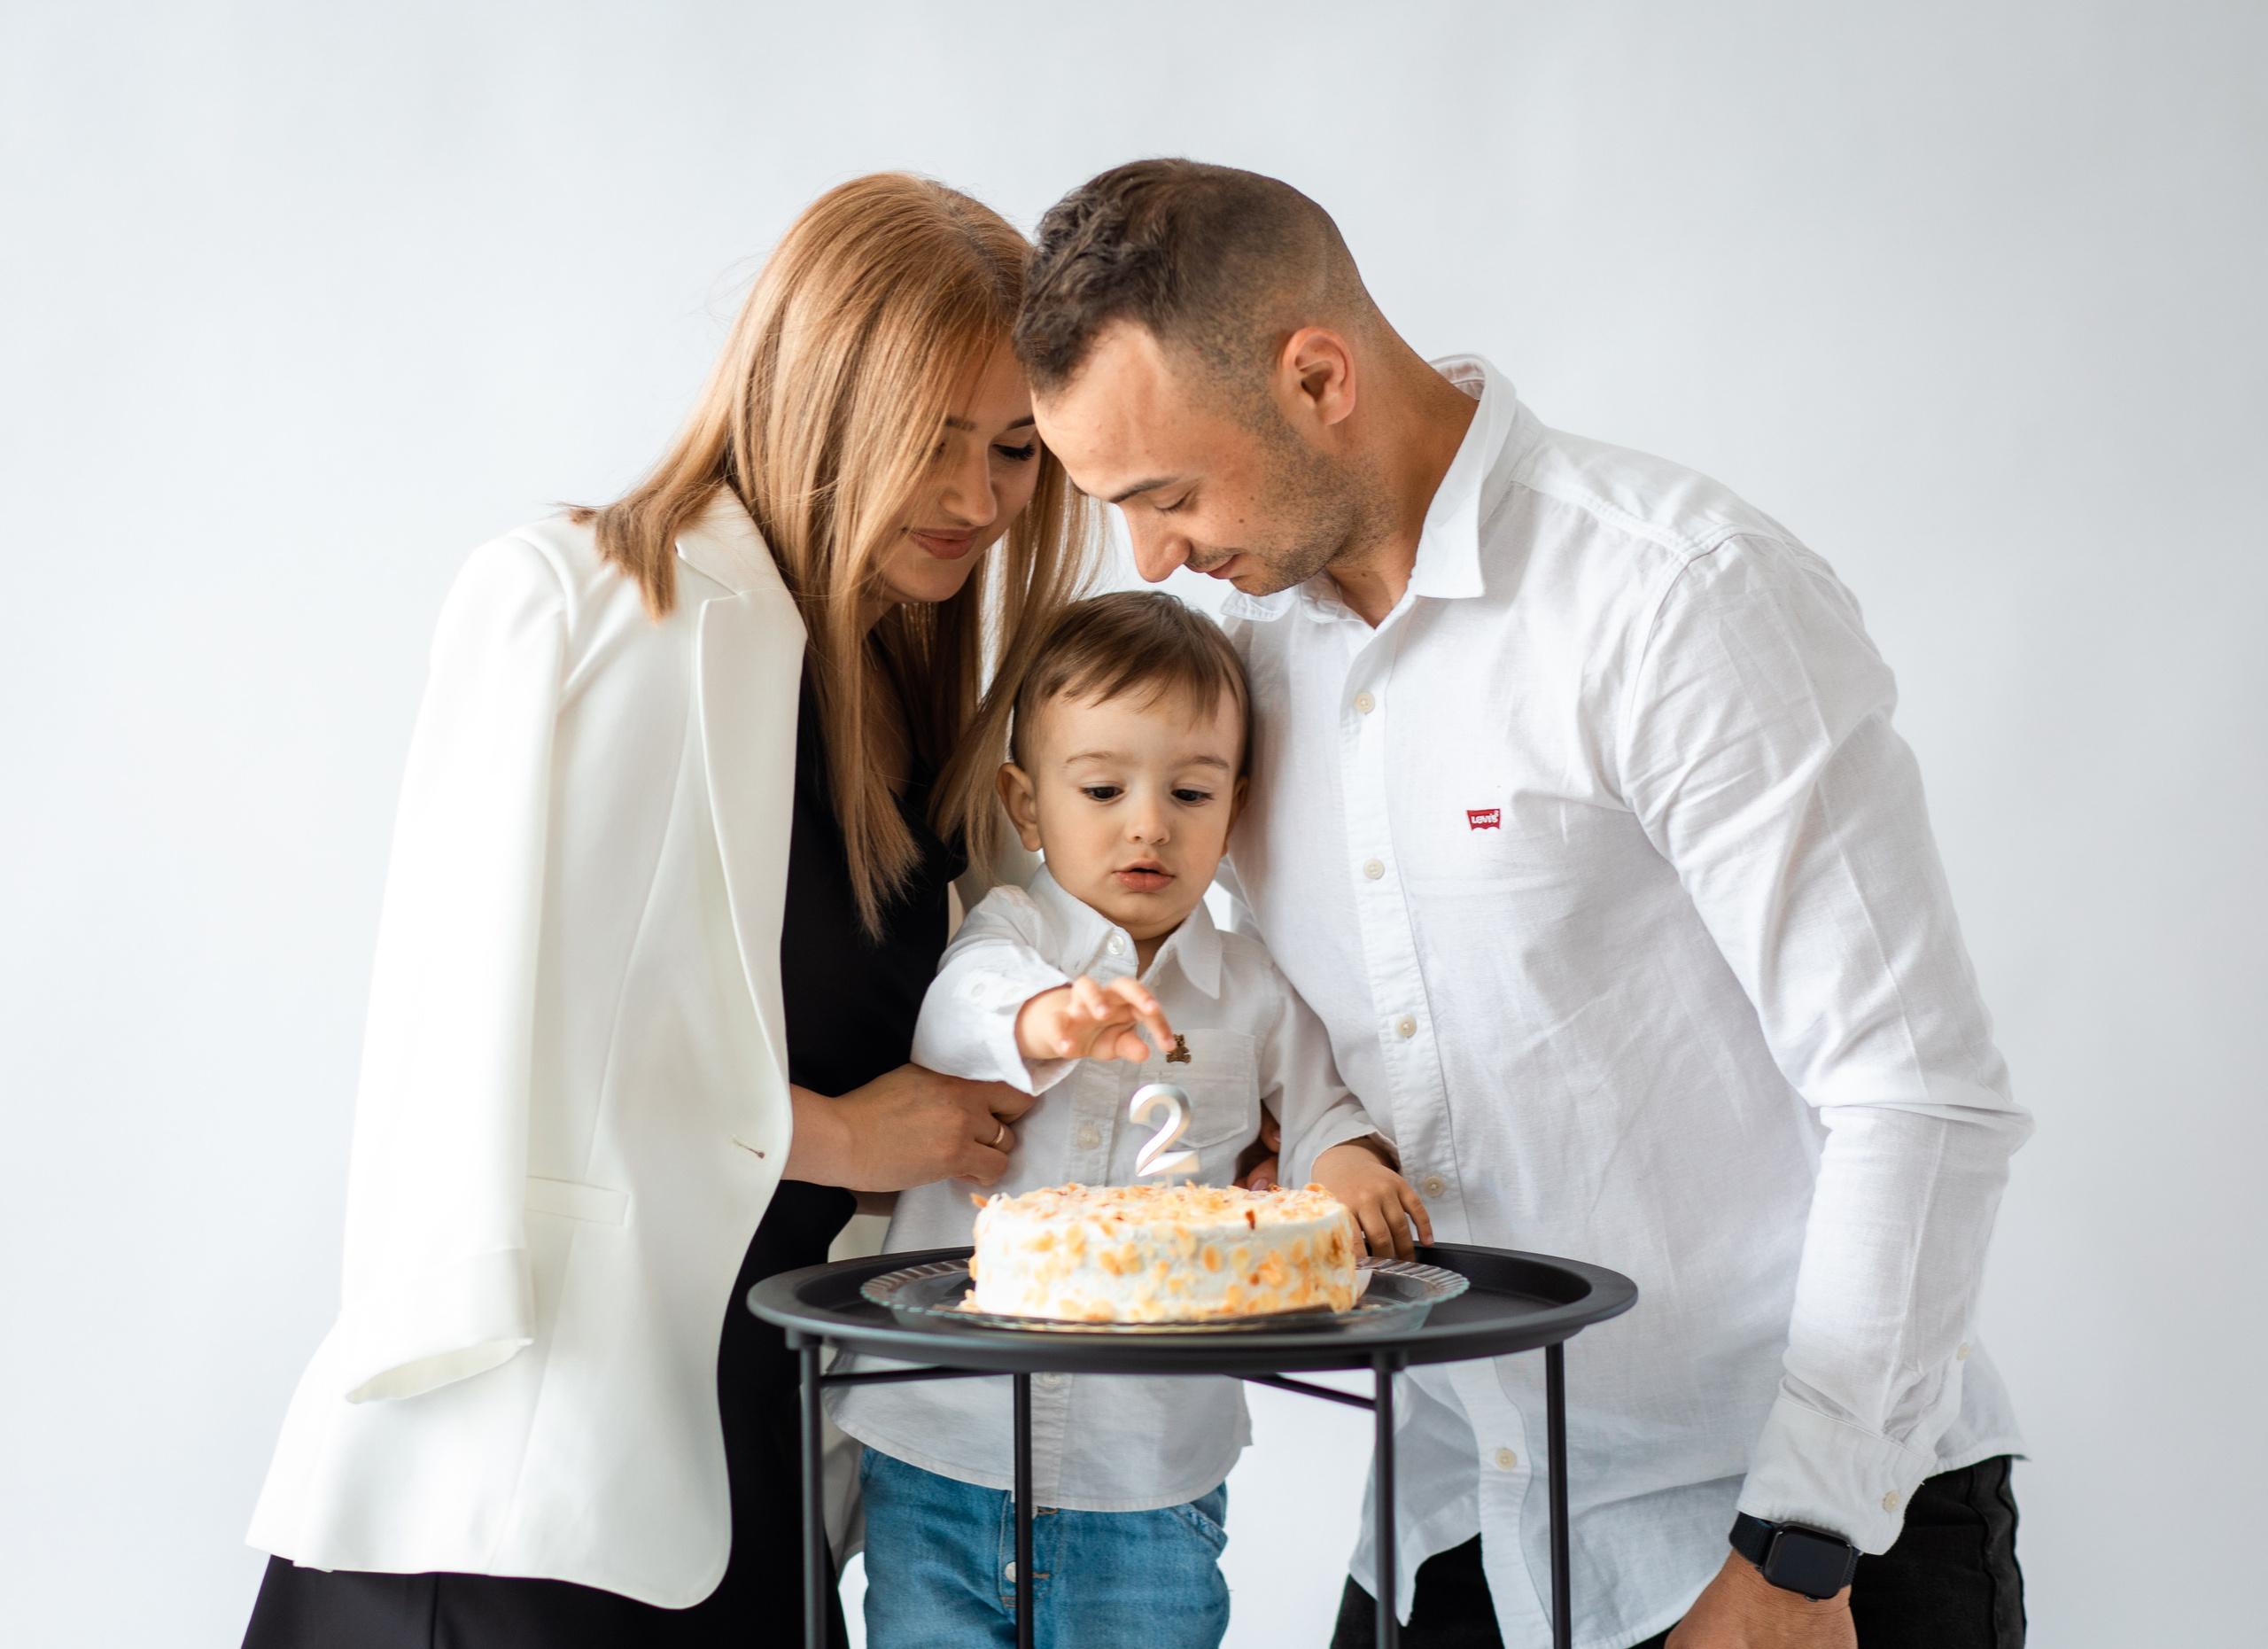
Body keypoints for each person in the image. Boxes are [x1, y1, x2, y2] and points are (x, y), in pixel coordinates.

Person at [1014, 160, 2032, 1649]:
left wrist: (1797, 1551)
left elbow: (1917, 1091)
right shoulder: (1236, 676)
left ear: (1317, 377)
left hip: (1786, 1529)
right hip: (1455, 1521)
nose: (1151, 556)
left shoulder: (1676, 598)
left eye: (1166, 495)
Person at [238, 173, 1099, 1649]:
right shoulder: (592, 606)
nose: (976, 498)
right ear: (814, 399)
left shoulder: (905, 701)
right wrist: (838, 1133)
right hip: (529, 1486)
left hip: (746, 1459)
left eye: (1016, 449)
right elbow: (488, 1054)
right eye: (932, 440)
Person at [833, 590, 1431, 1649]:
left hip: (1148, 1475)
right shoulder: (1009, 936)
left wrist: (1343, 1162)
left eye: (1190, 791)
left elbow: (1320, 1101)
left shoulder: (1249, 987)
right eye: (1102, 787)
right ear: (1025, 805)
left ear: (1236, 806)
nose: (1148, 822)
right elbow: (961, 1014)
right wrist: (1052, 1018)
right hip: (944, 1449)